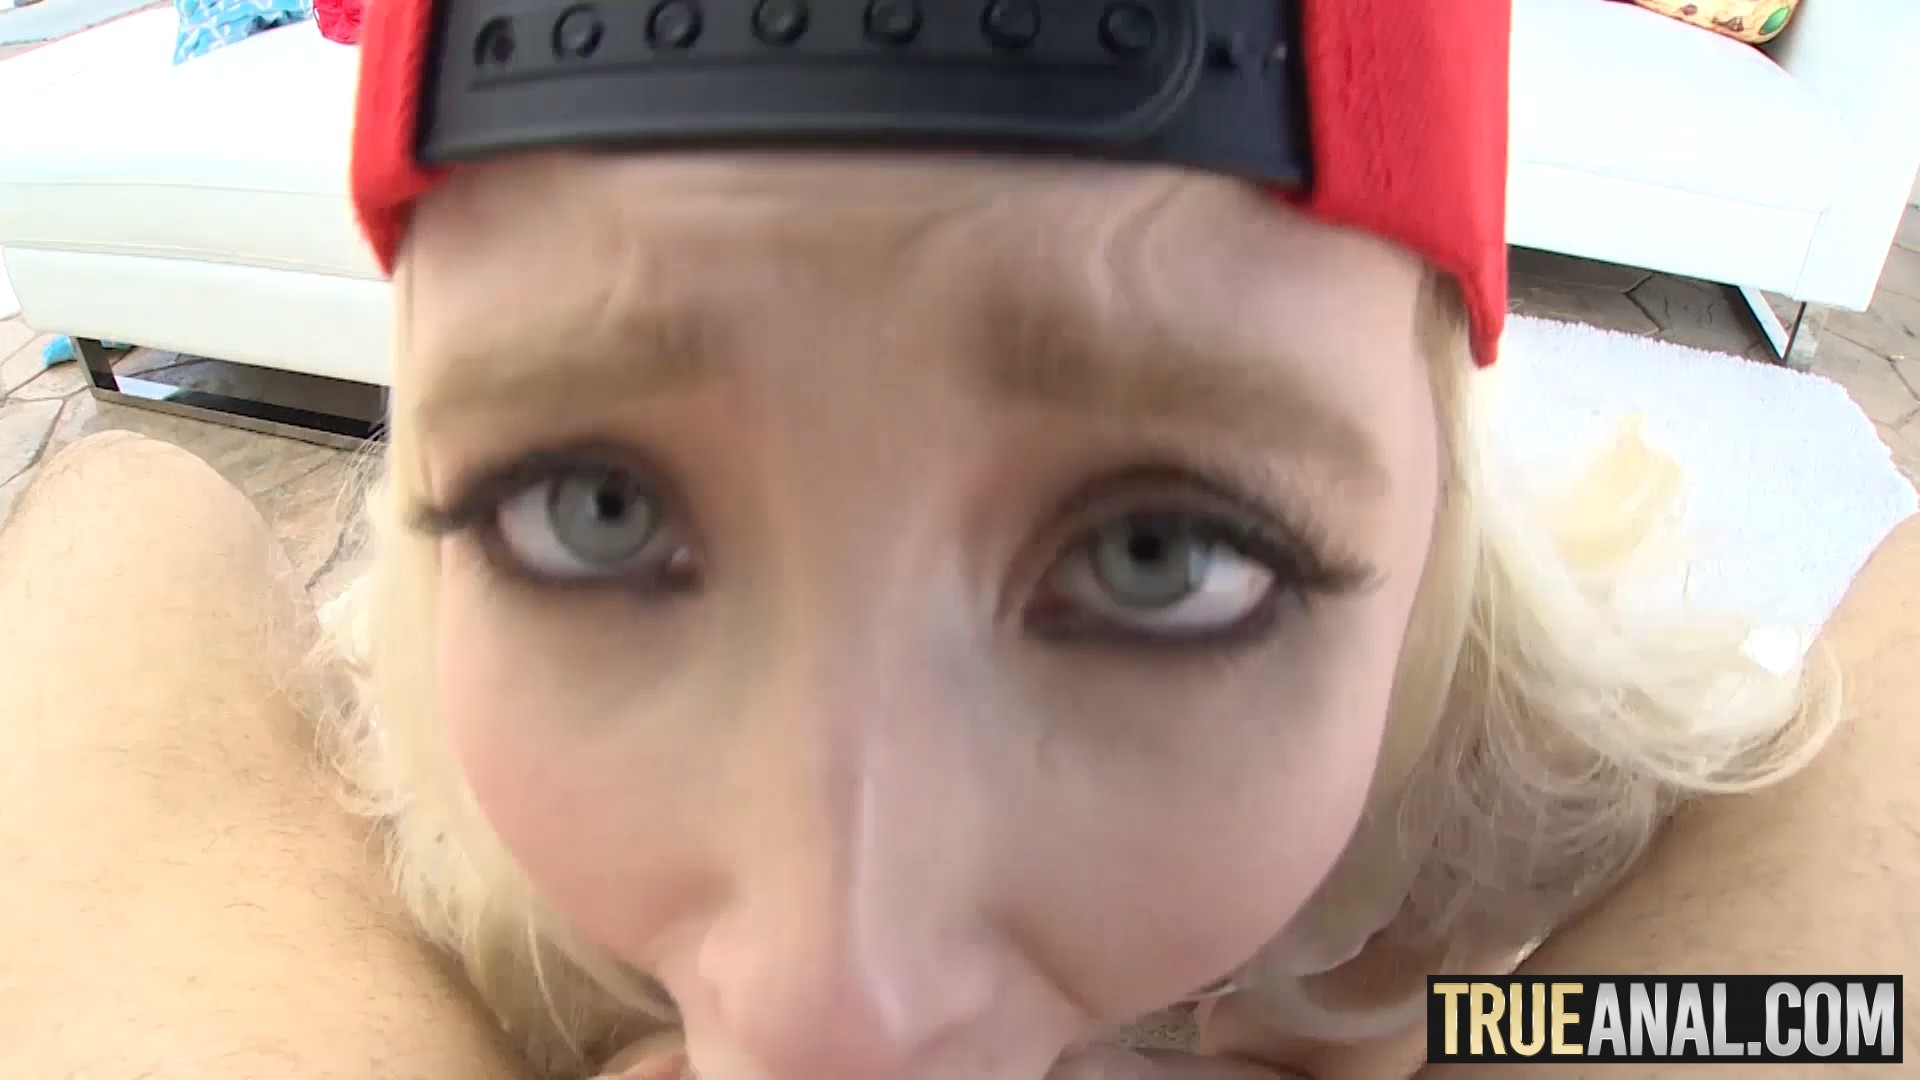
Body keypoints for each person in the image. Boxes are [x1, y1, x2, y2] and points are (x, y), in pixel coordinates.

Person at [2, 2, 1909, 1079]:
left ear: (1436, 537)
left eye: (1162, 552)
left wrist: (1451, 1030)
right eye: (592, 513)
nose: (838, 1013)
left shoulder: (1534, 846)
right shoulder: (408, 816)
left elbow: (1761, 1023)